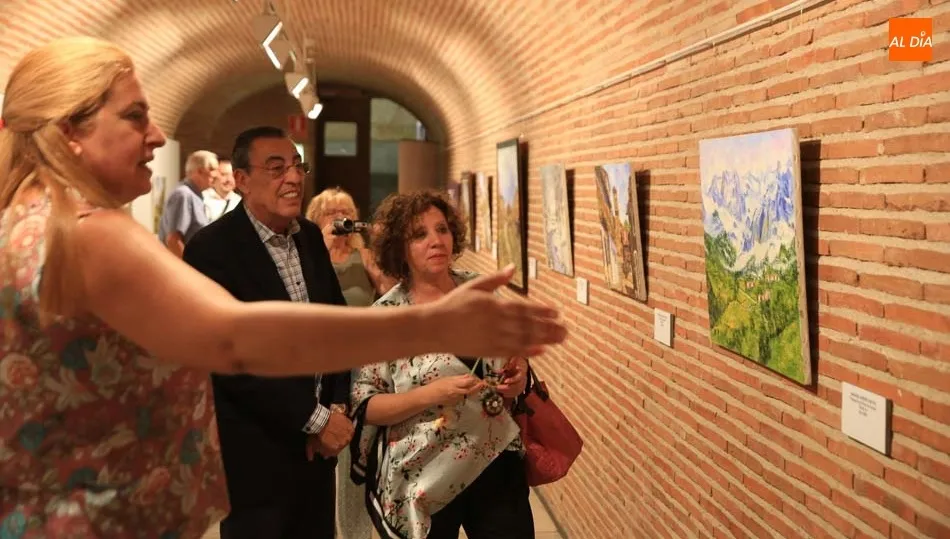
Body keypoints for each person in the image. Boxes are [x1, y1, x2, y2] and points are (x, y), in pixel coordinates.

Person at [0, 37, 567, 539]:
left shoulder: (30, 222)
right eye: (134, 116)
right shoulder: (89, 233)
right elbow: (237, 338)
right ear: (71, 131)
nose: (156, 134)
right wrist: (426, 324)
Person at [183, 127, 355, 539]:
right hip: (256, 457)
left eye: (297, 166)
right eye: (276, 168)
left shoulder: (310, 237)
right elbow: (230, 360)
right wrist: (314, 420)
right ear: (241, 180)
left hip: (318, 453)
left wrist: (338, 405)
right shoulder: (212, 249)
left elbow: (336, 325)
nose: (293, 178)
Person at [351, 190, 535, 539]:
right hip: (425, 475)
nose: (436, 241)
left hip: (495, 456)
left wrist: (518, 373)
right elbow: (366, 406)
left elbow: (513, 354)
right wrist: (429, 394)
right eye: (419, 235)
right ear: (399, 249)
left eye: (442, 230)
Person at [306, 186, 396, 305]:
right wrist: (321, 249)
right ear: (316, 219)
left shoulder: (364, 256)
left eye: (346, 212)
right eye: (331, 212)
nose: (340, 217)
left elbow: (389, 291)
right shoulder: (306, 256)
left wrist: (382, 243)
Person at [159, 149, 218, 256]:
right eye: (212, 169)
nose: (216, 175)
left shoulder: (196, 196)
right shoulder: (183, 195)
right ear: (199, 171)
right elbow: (173, 240)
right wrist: (188, 269)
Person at [203, 157, 241, 221]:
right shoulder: (202, 198)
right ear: (213, 175)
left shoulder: (240, 202)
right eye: (224, 174)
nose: (229, 179)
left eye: (232, 175)